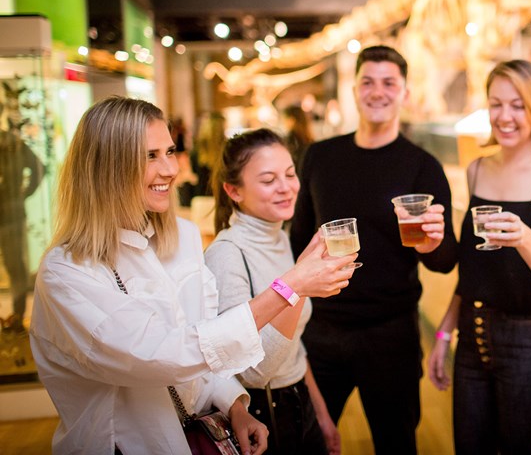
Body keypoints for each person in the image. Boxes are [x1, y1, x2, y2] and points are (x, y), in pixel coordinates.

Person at [28, 96, 357, 454]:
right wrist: (291, 286)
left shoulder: (181, 238)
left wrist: (235, 405)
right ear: (107, 168)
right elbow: (166, 354)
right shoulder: (67, 273)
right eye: (150, 156)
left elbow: (204, 348)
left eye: (169, 151)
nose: (170, 169)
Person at [289, 45, 459, 455]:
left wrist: (434, 242)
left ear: (404, 92)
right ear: (354, 89)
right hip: (323, 331)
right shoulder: (320, 157)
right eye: (368, 81)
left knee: (396, 443)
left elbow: (444, 260)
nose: (377, 91)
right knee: (306, 441)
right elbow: (298, 242)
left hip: (391, 335)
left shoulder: (423, 166)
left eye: (389, 83)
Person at [427, 59, 531, 455]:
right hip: (472, 340)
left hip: (530, 344)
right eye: (496, 104)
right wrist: (444, 334)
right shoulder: (476, 170)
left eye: (518, 105)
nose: (505, 116)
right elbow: (473, 272)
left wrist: (524, 238)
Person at [205, 128, 340, 455]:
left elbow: (295, 346)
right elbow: (254, 371)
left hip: (299, 402)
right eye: (268, 180)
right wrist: (299, 284)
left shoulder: (279, 236)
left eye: (290, 174)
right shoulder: (226, 255)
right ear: (233, 190)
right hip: (264, 413)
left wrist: (321, 415)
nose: (286, 187)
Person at [0, 93, 44, 334]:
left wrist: (22, 194)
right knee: (15, 265)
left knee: (15, 265)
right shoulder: (12, 141)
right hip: (12, 212)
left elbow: (39, 168)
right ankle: (16, 317)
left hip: (11, 214)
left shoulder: (12, 142)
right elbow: (40, 168)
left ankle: (17, 317)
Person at [281, 104, 315, 173]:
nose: (284, 122)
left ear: (292, 120)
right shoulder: (309, 140)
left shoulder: (290, 140)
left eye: (285, 119)